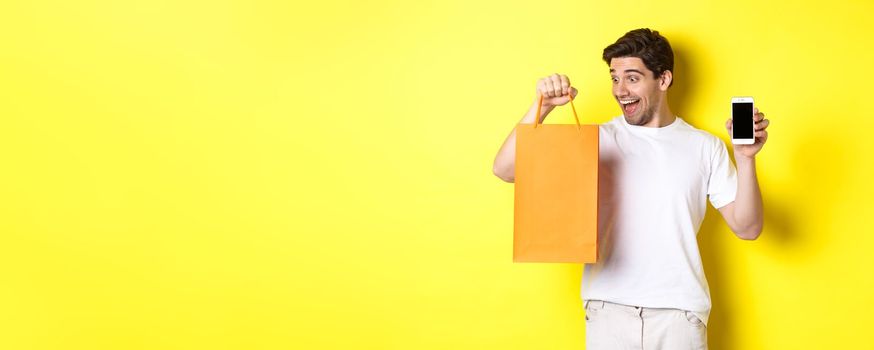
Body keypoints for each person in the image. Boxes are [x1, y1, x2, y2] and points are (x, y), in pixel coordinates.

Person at [492, 28, 770, 349]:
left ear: (663, 80)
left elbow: (748, 227)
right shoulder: (596, 140)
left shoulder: (705, 146)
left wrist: (745, 159)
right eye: (614, 78)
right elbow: (505, 169)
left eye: (632, 78)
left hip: (679, 315)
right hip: (608, 311)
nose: (620, 90)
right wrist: (541, 108)